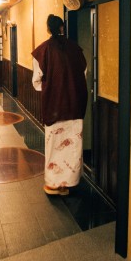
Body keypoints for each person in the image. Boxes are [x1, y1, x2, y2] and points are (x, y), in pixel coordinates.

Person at [31, 14, 88, 196]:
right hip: (74, 105)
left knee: (54, 145)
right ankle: (69, 183)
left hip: (54, 106)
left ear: (48, 29)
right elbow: (83, 74)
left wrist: (51, 89)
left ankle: (54, 184)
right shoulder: (76, 50)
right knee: (73, 147)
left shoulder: (42, 51)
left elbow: (36, 82)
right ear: (62, 28)